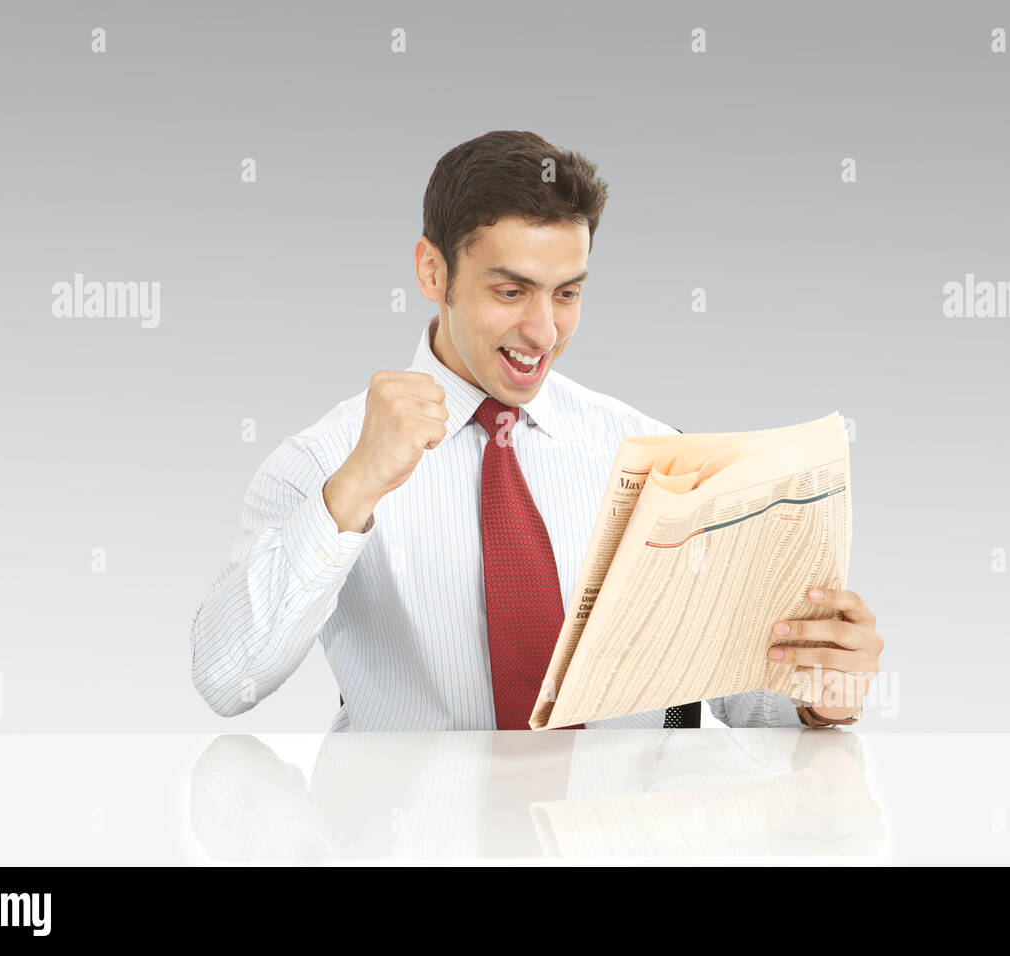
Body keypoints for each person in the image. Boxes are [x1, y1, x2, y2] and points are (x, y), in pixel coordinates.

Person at [190, 130, 883, 731]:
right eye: (511, 291)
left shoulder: (650, 451)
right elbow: (228, 680)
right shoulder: (325, 462)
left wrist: (819, 688)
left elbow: (729, 692)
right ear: (433, 272)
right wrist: (354, 490)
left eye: (568, 293)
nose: (544, 332)